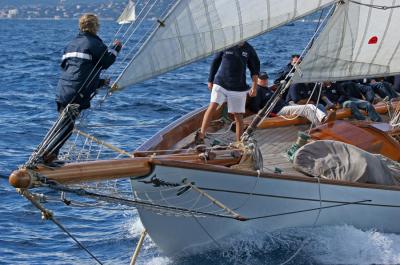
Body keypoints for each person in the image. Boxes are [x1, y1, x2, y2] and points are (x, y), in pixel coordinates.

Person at [43, 13, 122, 163]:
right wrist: (116, 48)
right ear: (96, 27)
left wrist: (98, 82)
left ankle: (48, 155)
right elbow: (107, 61)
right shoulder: (95, 44)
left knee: (63, 124)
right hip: (76, 92)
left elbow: (74, 69)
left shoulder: (71, 44)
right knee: (67, 127)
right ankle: (48, 157)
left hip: (63, 89)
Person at [195, 41, 260, 144]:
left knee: (238, 116)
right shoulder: (225, 44)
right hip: (220, 83)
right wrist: (210, 80)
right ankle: (201, 135)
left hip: (238, 87)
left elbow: (255, 70)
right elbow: (215, 61)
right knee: (212, 106)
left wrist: (254, 87)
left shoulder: (249, 49)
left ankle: (239, 143)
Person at [248, 72, 333, 125]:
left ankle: (325, 120)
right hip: (278, 111)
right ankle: (321, 124)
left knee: (318, 106)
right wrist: (264, 114)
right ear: (257, 80)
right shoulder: (258, 90)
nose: (265, 80)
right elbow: (254, 106)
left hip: (285, 106)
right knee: (308, 108)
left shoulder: (267, 89)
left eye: (266, 78)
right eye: (262, 79)